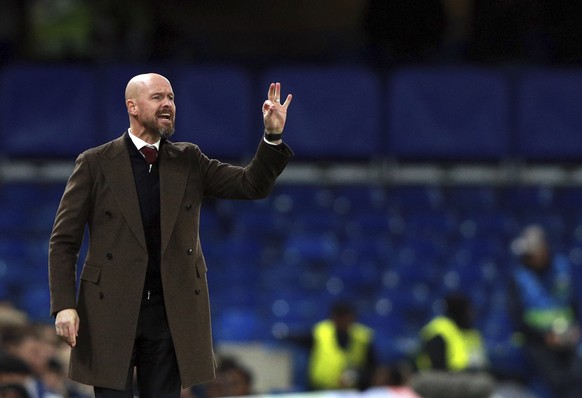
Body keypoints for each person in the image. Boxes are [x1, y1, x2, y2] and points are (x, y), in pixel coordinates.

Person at [48, 73, 293, 398]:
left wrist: (272, 137)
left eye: (171, 98)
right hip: (111, 307)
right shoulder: (94, 163)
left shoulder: (188, 159)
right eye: (158, 98)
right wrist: (64, 305)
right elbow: (64, 240)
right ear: (132, 107)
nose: (168, 105)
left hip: (169, 310)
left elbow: (251, 185)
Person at [508, 224, 582, 398]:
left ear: (542, 250)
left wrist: (575, 328)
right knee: (557, 384)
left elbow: (573, 302)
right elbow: (517, 317)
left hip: (567, 339)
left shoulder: (562, 268)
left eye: (531, 253)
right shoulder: (519, 277)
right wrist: (545, 337)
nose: (527, 258)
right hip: (537, 342)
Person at [412, 294, 494, 398]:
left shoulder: (473, 334)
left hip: (468, 378)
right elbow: (436, 366)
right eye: (468, 310)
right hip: (439, 378)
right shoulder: (440, 329)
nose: (472, 314)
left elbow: (482, 365)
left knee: (484, 382)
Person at [288, 301, 376, 391]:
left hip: (351, 391)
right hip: (320, 390)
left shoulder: (363, 337)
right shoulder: (320, 333)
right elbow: (297, 339)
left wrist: (357, 376)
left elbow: (371, 367)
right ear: (333, 318)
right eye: (339, 317)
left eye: (345, 317)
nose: (342, 321)